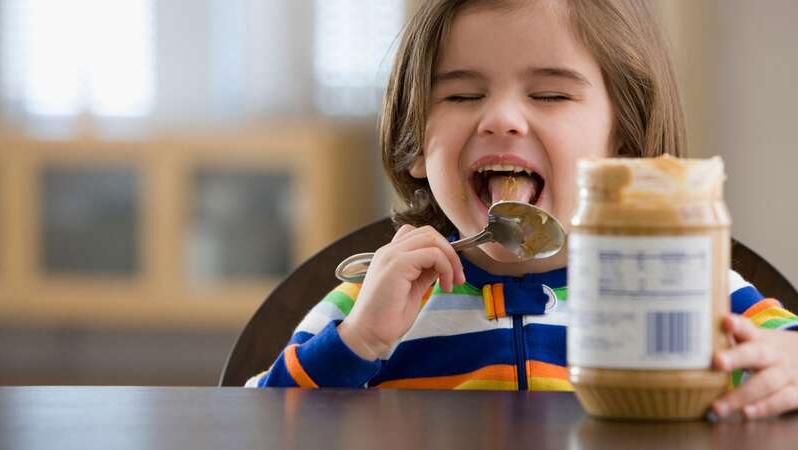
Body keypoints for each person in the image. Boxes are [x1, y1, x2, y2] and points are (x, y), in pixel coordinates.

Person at [246, 0, 798, 420]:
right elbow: (263, 423)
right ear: (415, 145)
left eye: (551, 95)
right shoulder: (373, 303)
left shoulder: (687, 288)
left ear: (622, 145)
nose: (501, 119)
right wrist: (359, 342)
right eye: (462, 96)